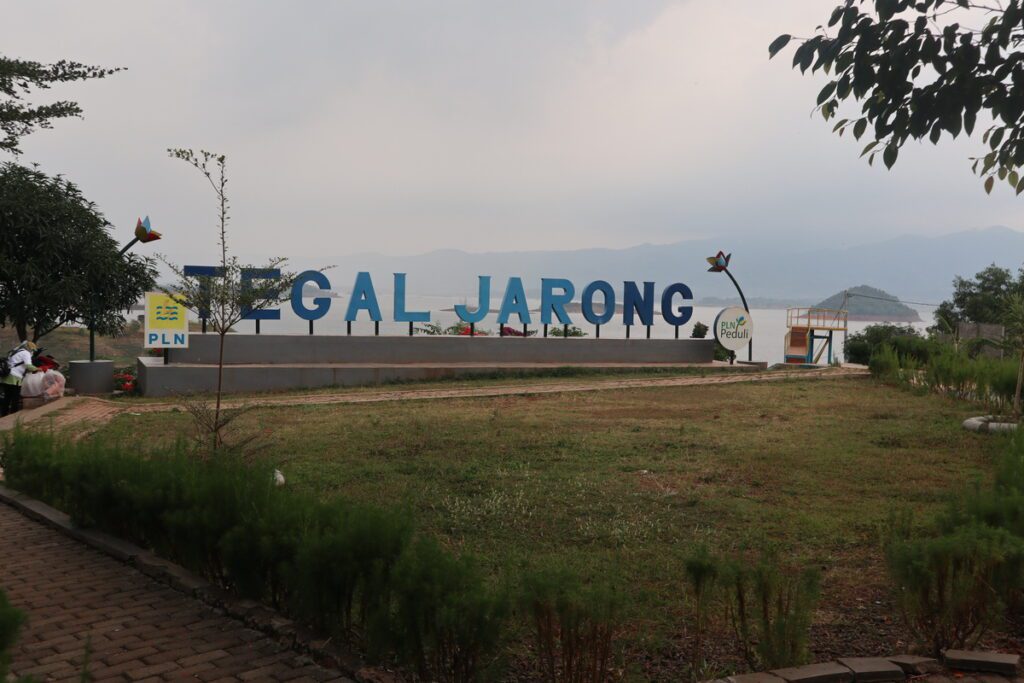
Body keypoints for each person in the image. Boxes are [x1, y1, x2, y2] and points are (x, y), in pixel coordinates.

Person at [1, 341, 39, 417]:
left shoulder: (16, 351)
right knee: (15, 397)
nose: (32, 351)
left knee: (7, 397)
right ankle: (13, 415)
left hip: (7, 375)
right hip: (15, 377)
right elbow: (28, 366)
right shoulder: (26, 353)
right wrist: (38, 369)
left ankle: (4, 414)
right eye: (32, 349)